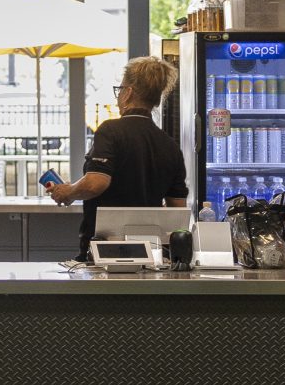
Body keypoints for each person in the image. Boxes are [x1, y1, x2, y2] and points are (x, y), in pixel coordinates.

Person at [47, 55, 189, 253]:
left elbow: (96, 183)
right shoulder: (170, 145)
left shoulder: (110, 131)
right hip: (151, 250)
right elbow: (178, 210)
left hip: (105, 248)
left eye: (120, 89)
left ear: (128, 93)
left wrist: (67, 191)